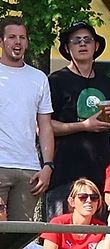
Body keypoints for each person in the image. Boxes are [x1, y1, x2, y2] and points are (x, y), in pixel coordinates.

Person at [47, 22, 110, 218]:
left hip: (100, 174)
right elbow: (45, 127)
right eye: (76, 41)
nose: (83, 44)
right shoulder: (56, 80)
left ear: (96, 46)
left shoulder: (105, 81)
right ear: (67, 48)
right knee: (63, 234)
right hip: (66, 174)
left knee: (96, 240)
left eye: (87, 40)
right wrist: (84, 126)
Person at [0, 17, 55, 222]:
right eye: (12, 37)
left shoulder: (38, 78)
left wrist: (48, 166)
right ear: (1, 41)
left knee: (19, 238)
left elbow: (45, 126)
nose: (17, 42)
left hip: (28, 168)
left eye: (22, 37)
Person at [28, 179, 110, 249]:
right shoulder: (58, 223)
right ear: (72, 201)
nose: (89, 201)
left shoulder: (100, 228)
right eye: (83, 197)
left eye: (94, 197)